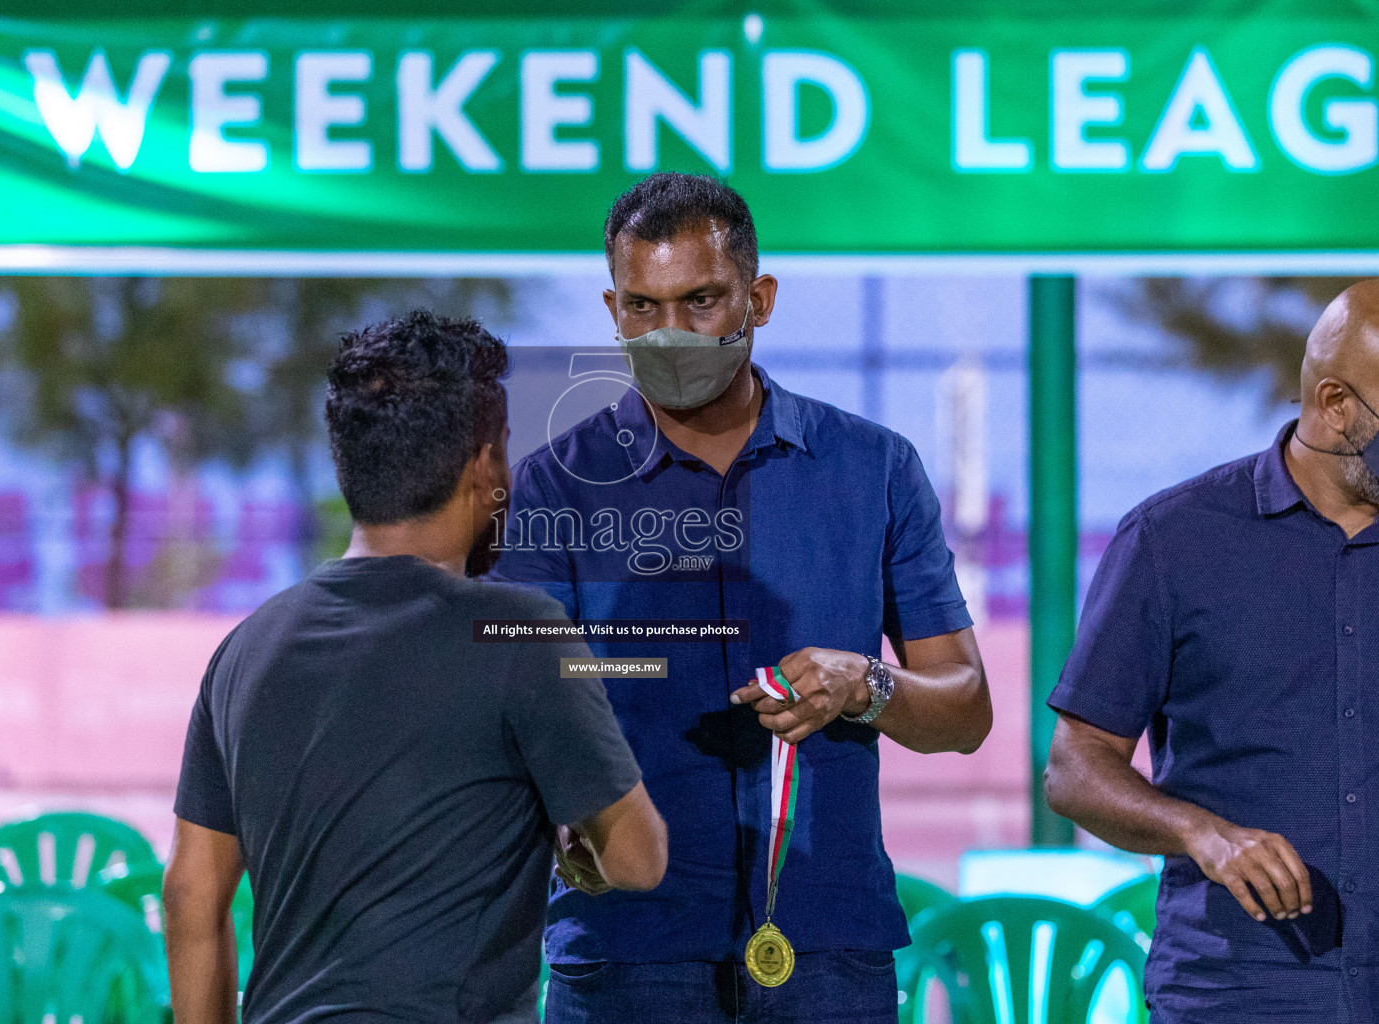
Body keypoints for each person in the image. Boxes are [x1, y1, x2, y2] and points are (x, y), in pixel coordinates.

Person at [489, 173, 992, 1024]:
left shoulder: (873, 468)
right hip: (623, 947)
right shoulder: (554, 486)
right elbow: (511, 702)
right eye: (642, 308)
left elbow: (965, 708)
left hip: (826, 946)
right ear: (612, 310)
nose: (670, 331)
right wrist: (556, 806)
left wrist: (865, 685)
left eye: (702, 301)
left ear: (759, 298)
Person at [162, 310, 667, 1024]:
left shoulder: (246, 650)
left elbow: (192, 896)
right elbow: (638, 858)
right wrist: (575, 839)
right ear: (484, 464)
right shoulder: (521, 635)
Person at [1045, 281, 1379, 1023]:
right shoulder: (1172, 541)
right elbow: (1074, 768)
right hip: (1237, 992)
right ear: (1334, 405)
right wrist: (1204, 835)